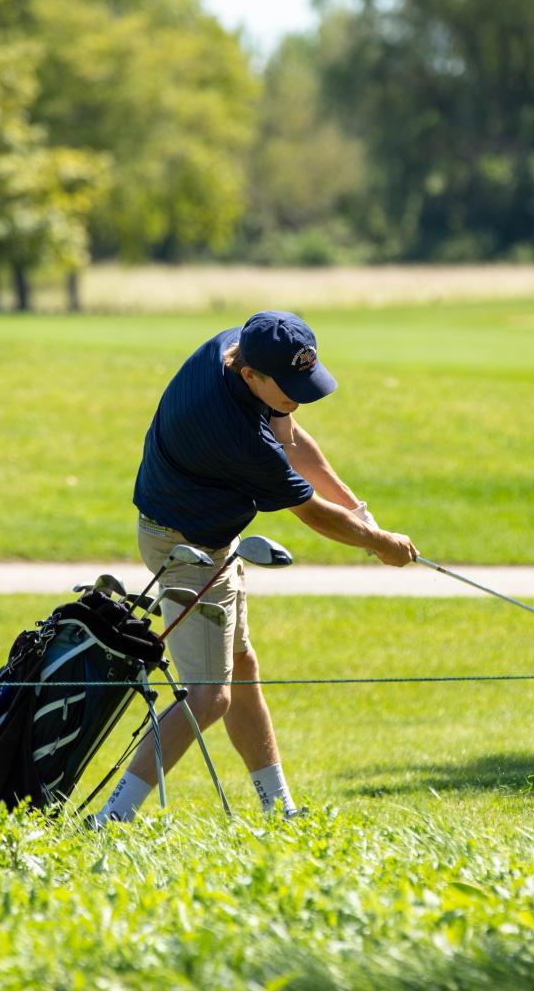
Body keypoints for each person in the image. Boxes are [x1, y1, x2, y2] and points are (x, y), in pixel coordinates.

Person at [93, 310, 418, 824]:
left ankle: (279, 810)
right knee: (209, 696)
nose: (298, 396)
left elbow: (291, 436)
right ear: (250, 376)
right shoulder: (237, 434)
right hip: (184, 547)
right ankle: (110, 818)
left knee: (241, 669)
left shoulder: (237, 347)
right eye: (288, 387)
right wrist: (380, 544)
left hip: (208, 535)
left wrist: (360, 512)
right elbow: (310, 511)